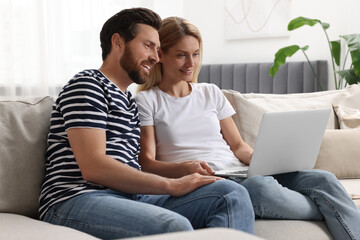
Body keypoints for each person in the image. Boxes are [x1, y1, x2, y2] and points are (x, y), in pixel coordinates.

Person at [38, 8, 256, 239]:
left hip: (131, 196)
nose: (155, 56)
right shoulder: (88, 85)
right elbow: (94, 167)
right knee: (174, 226)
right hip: (75, 199)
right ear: (118, 42)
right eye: (148, 46)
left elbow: (136, 166)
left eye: (157, 48)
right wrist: (171, 185)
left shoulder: (129, 101)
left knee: (231, 193)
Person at [135, 16, 360, 240]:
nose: (191, 63)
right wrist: (184, 167)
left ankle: (335, 210)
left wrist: (260, 158)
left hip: (240, 170)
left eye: (195, 54)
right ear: (161, 55)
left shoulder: (210, 92)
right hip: (213, 181)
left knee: (324, 179)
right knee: (259, 189)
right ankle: (333, 207)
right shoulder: (148, 101)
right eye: (181, 55)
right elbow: (146, 162)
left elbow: (238, 145)